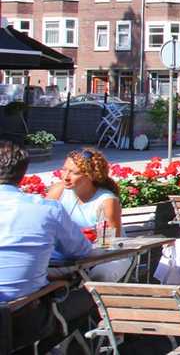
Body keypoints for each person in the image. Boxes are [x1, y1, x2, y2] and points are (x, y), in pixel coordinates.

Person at [0, 141, 94, 352]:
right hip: (22, 316)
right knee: (90, 296)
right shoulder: (46, 209)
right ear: (23, 173)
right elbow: (82, 251)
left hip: (16, 313)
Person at [45, 147, 129, 281]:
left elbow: (108, 244)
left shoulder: (106, 201)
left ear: (90, 175)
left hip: (109, 256)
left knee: (101, 275)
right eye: (64, 170)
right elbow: (43, 225)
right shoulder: (58, 191)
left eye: (73, 173)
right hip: (69, 255)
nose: (65, 177)